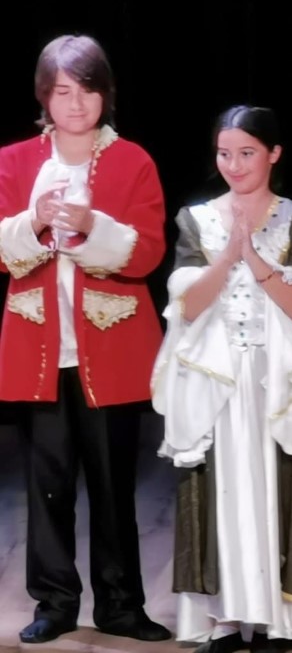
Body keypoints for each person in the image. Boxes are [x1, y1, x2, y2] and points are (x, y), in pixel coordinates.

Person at [0, 34, 170, 644]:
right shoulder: (14, 161)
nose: (76, 104)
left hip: (112, 348)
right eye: (63, 91)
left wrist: (95, 225)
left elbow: (147, 251)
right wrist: (35, 220)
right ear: (44, 96)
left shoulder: (133, 161)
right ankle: (54, 603)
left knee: (113, 485)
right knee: (46, 485)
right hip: (39, 350)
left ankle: (121, 605)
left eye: (88, 90)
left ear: (106, 94)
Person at [152, 105, 292, 653]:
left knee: (276, 487)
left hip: (276, 379)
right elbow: (188, 306)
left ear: (273, 154)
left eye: (247, 153)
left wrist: (254, 257)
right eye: (224, 153)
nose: (233, 165)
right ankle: (227, 618)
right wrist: (227, 254)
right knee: (223, 490)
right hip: (216, 377)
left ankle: (283, 620)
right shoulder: (197, 219)